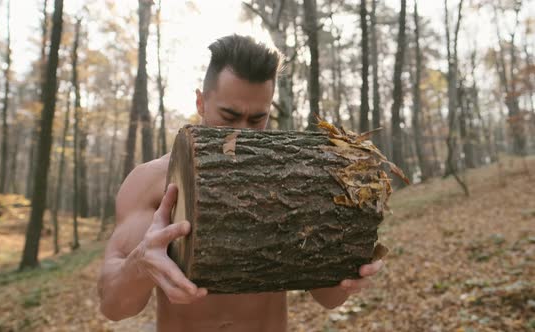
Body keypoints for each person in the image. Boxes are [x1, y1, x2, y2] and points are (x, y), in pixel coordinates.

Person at [97, 34, 383, 331]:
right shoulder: (151, 182)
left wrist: (352, 271)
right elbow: (113, 305)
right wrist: (141, 263)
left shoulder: (294, 176)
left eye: (257, 119)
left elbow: (328, 297)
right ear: (201, 102)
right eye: (229, 116)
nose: (242, 133)